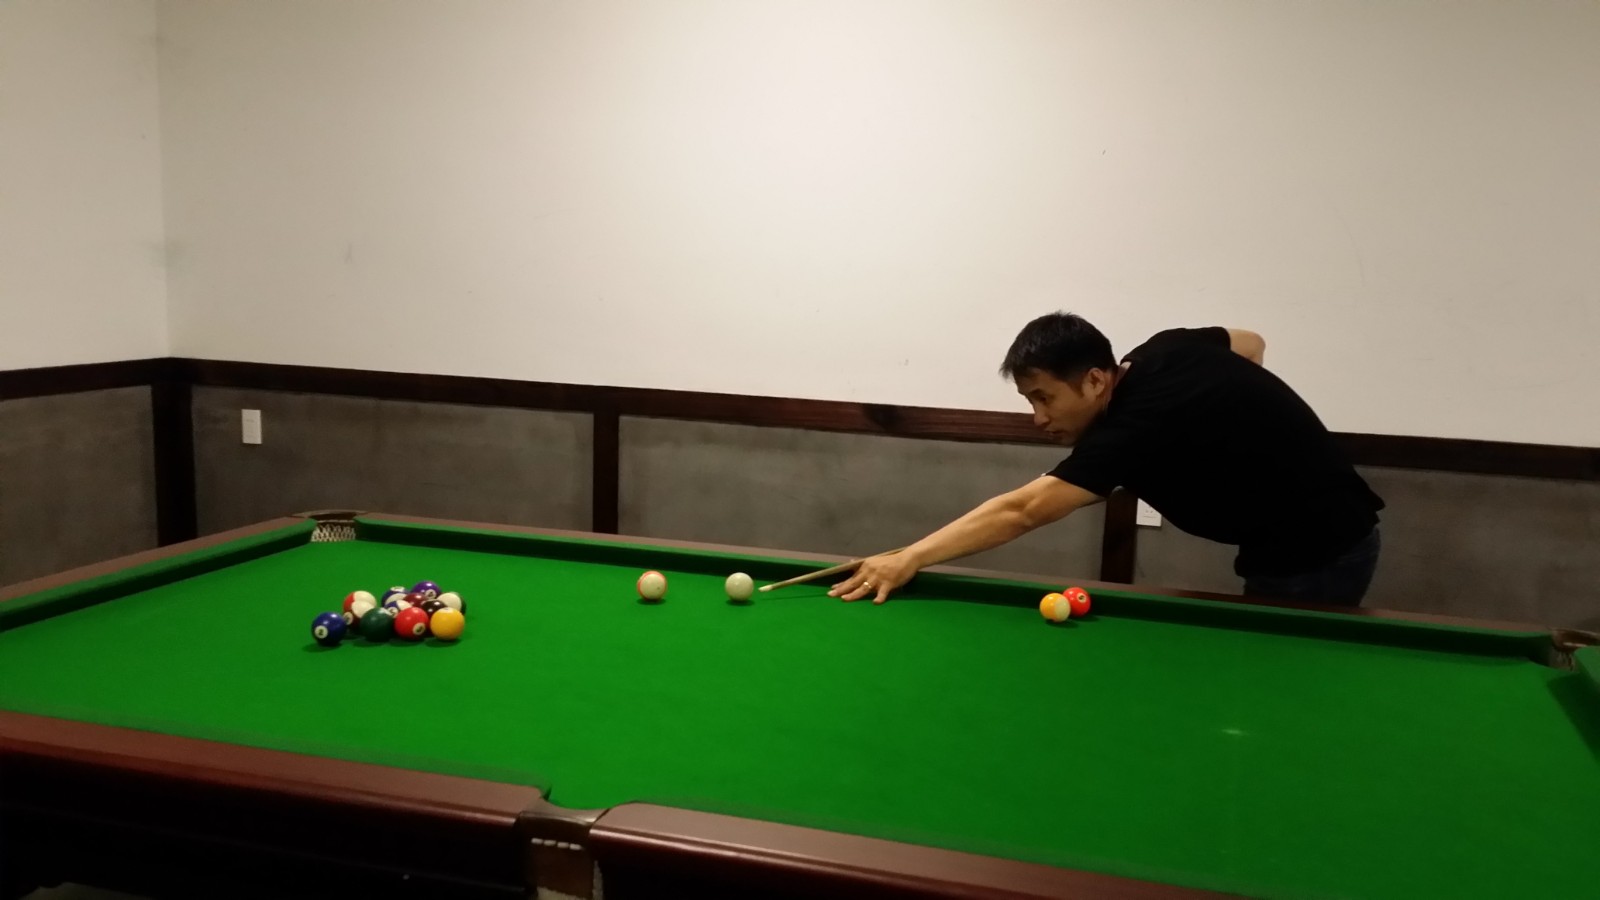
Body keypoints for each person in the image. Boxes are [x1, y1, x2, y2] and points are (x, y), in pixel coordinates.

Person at [829, 312, 1384, 607]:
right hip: (1298, 539)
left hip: (1319, 553)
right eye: (1029, 401)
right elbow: (1251, 342)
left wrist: (909, 557)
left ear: (1096, 380)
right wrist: (1241, 427)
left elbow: (1024, 510)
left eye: (1044, 398)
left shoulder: (1132, 428)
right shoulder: (1165, 348)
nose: (1038, 418)